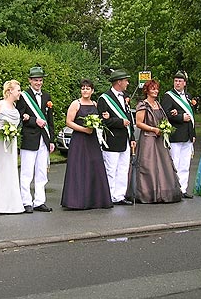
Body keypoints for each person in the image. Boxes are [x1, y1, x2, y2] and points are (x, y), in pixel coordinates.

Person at [60, 79, 113, 210]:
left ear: (92, 91)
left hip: (92, 140)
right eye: (83, 88)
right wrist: (84, 129)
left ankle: (95, 200)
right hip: (79, 139)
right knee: (79, 167)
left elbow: (99, 120)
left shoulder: (94, 103)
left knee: (94, 166)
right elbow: (69, 122)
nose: (85, 90)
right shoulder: (75, 104)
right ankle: (76, 201)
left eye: (88, 88)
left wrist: (104, 118)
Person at [128, 79, 182, 204]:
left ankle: (163, 192)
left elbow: (163, 119)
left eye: (157, 88)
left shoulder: (158, 104)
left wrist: (166, 126)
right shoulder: (143, 105)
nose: (156, 91)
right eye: (153, 89)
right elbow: (139, 123)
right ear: (147, 90)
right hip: (148, 139)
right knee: (148, 165)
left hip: (160, 139)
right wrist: (153, 129)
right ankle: (148, 193)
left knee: (163, 166)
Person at [16, 65, 55, 213]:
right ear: (30, 80)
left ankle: (39, 201)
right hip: (29, 138)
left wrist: (51, 140)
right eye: (35, 80)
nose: (38, 83)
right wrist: (33, 120)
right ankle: (26, 201)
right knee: (27, 172)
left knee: (41, 172)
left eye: (40, 80)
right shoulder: (24, 96)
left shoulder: (47, 97)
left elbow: (50, 120)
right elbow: (19, 116)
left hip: (43, 139)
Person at [98, 69, 135, 206]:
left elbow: (129, 118)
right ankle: (109, 196)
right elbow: (103, 120)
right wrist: (120, 122)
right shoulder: (104, 98)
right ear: (119, 82)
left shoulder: (126, 97)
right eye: (126, 80)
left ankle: (119, 196)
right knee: (111, 169)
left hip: (125, 139)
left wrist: (132, 138)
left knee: (123, 168)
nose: (127, 83)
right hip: (111, 140)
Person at [0, 79, 24, 214]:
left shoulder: (15, 108)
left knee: (12, 169)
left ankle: (12, 203)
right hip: (0, 142)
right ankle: (0, 204)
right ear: (10, 91)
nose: (20, 93)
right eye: (18, 90)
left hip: (12, 142)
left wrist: (12, 134)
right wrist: (0, 133)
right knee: (2, 170)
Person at [161, 71, 196, 199]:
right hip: (175, 135)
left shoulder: (187, 96)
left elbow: (191, 117)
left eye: (180, 81)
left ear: (184, 83)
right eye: (176, 81)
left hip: (187, 135)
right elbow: (165, 114)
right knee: (175, 162)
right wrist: (181, 117)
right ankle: (173, 188)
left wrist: (193, 134)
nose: (177, 83)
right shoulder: (168, 96)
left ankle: (183, 189)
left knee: (185, 164)